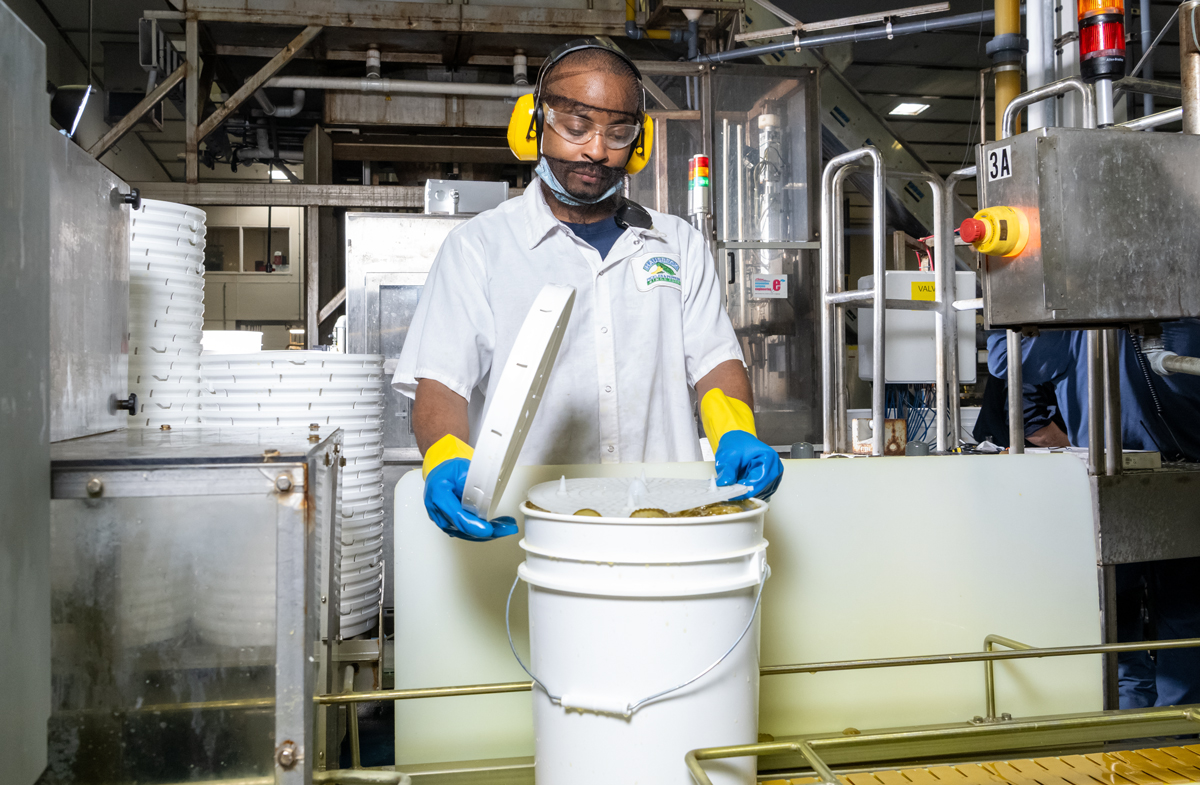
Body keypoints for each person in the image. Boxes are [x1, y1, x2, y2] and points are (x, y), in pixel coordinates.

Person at [393, 39, 783, 542]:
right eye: (576, 127)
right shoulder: (479, 247)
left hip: (666, 521)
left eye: (618, 132)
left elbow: (713, 362)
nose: (596, 150)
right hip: (535, 523)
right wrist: (446, 455)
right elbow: (440, 385)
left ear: (637, 145)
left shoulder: (677, 243)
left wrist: (735, 431)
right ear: (533, 124)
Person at [987, 321, 1200, 708]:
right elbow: (1008, 361)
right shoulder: (1077, 322)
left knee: (1180, 623)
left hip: (1184, 481)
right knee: (1119, 627)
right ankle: (1136, 740)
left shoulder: (1180, 314)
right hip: (1109, 482)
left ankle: (1174, 738)